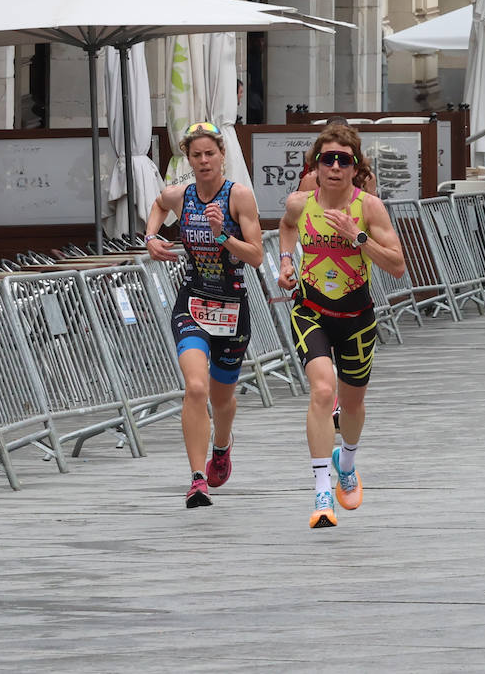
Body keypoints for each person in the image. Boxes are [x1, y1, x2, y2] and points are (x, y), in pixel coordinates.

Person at [277, 125, 407, 528]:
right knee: (321, 389)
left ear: (355, 167)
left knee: (351, 404)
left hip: (356, 317)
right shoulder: (300, 203)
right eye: (327, 159)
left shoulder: (368, 208)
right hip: (311, 310)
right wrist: (285, 262)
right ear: (315, 166)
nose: (335, 166)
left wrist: (359, 238)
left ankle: (346, 462)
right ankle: (320, 492)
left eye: (343, 160)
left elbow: (398, 267)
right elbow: (285, 228)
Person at [145, 122, 264, 508]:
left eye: (209, 153)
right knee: (195, 388)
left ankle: (222, 444)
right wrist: (150, 238)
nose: (203, 161)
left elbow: (257, 255)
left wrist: (221, 235)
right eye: (195, 155)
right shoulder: (181, 195)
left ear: (221, 154)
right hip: (193, 301)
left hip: (231, 306)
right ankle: (197, 479)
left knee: (222, 398)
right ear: (188, 159)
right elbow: (159, 203)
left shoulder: (239, 197)